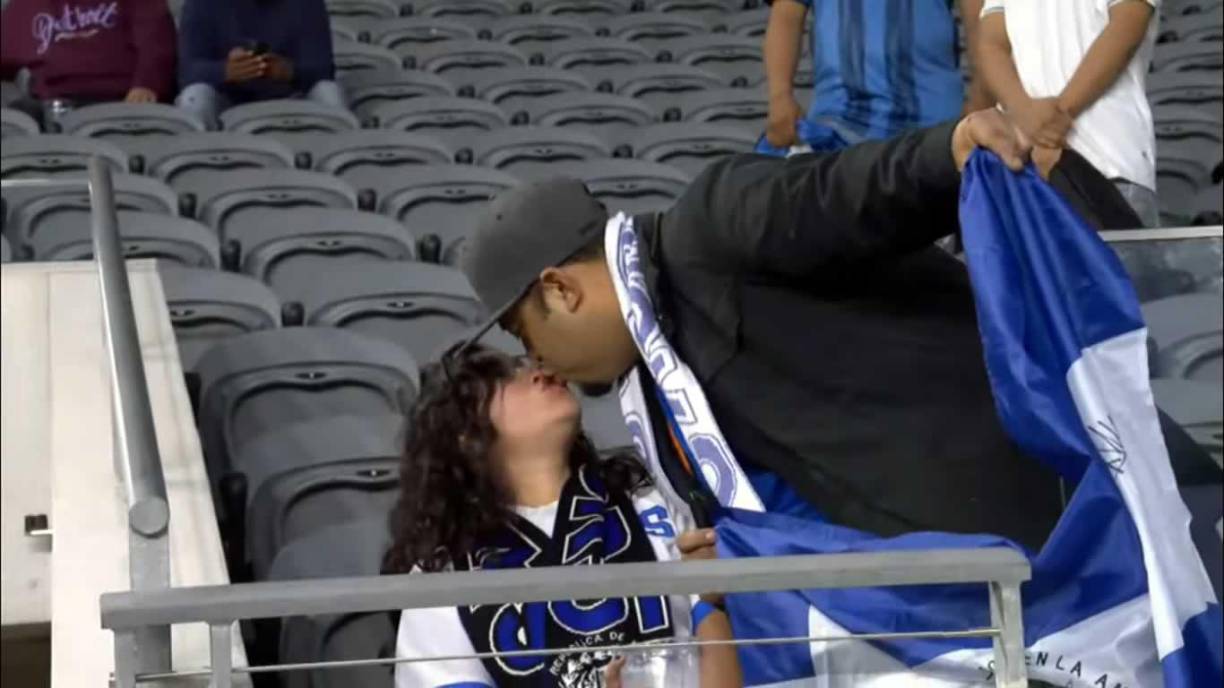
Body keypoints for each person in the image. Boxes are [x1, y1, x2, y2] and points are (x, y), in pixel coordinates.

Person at [383, 346, 742, 688]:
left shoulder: (651, 500)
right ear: (464, 434)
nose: (542, 371)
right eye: (504, 377)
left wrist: (715, 599)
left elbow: (722, 637)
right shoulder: (441, 576)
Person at [975, 0, 1161, 227]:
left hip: (1110, 162)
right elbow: (990, 44)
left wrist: (1055, 115)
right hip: (1020, 170)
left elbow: (1127, 25)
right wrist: (1024, 112)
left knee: (1124, 261)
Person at [762, 0, 990, 154]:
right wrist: (780, 97)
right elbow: (786, 16)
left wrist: (982, 97)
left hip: (936, 123)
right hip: (838, 119)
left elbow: (978, 16)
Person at [0, 0, 176, 126]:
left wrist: (146, 84)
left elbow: (157, 48)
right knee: (16, 119)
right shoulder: (26, 6)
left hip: (120, 101)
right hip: (52, 106)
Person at [174, 0, 343, 129]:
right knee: (195, 96)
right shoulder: (201, 4)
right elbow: (187, 71)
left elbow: (324, 68)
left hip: (289, 95)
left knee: (328, 91)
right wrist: (225, 71)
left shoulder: (307, 4)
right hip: (227, 96)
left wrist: (290, 71)